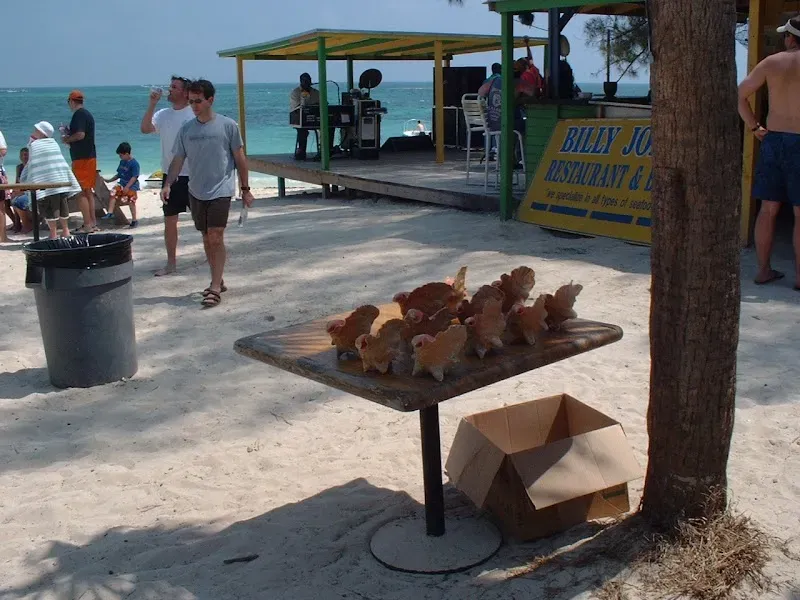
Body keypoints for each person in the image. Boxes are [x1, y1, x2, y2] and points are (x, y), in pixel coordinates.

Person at [161, 79, 254, 308]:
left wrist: (245, 189)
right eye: (191, 101)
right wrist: (168, 184)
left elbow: (240, 159)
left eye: (198, 101)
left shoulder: (228, 125)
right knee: (205, 237)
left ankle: (214, 287)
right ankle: (217, 278)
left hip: (221, 189)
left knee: (216, 236)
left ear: (210, 100)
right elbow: (178, 160)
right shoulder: (186, 129)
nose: (194, 105)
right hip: (196, 190)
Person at [738, 16, 800, 289]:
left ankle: (763, 270)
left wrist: (754, 126)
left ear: (790, 37)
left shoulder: (771, 63)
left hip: (773, 140)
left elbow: (740, 95)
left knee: (768, 209)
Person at [141, 75, 194, 276]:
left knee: (203, 221)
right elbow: (145, 129)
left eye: (174, 87)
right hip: (170, 176)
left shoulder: (193, 114)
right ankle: (171, 263)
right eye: (170, 86)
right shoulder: (163, 114)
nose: (169, 89)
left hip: (193, 174)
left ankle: (213, 257)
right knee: (170, 220)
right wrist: (152, 104)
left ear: (185, 93)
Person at [19, 121, 81, 239]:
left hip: (46, 183)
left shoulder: (35, 145)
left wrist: (26, 178)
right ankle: (66, 231)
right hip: (59, 180)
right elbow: (57, 161)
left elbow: (33, 164)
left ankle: (53, 233)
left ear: (41, 133)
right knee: (62, 206)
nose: (33, 132)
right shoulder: (54, 143)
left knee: (49, 209)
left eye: (36, 130)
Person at [62, 90, 98, 233]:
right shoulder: (86, 114)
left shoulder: (79, 114)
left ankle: (88, 224)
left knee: (80, 191)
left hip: (82, 158)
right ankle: (92, 223)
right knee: (88, 191)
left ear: (71, 101)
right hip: (89, 156)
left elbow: (80, 135)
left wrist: (67, 139)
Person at [289, 73, 334, 160]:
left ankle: (326, 151)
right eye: (305, 81)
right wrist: (304, 95)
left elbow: (325, 104)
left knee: (330, 127)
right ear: (301, 81)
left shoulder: (316, 92)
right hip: (299, 120)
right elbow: (297, 107)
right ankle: (301, 152)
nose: (307, 83)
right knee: (302, 131)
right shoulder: (295, 92)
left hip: (316, 119)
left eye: (308, 81)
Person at [102, 142, 140, 227]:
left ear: (126, 154)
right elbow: (119, 174)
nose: (120, 157)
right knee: (113, 191)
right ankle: (110, 212)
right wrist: (109, 180)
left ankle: (134, 220)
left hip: (132, 185)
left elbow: (134, 177)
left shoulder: (134, 164)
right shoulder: (122, 162)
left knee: (131, 201)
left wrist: (127, 187)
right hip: (122, 184)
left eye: (121, 155)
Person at [10, 147, 33, 233]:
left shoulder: (32, 167)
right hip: (22, 191)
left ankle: (25, 225)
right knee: (8, 199)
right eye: (22, 155)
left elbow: (34, 184)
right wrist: (14, 191)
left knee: (17, 200)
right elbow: (17, 183)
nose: (24, 157)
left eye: (26, 155)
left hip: (30, 192)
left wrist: (21, 192)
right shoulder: (19, 167)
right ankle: (17, 223)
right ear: (20, 157)